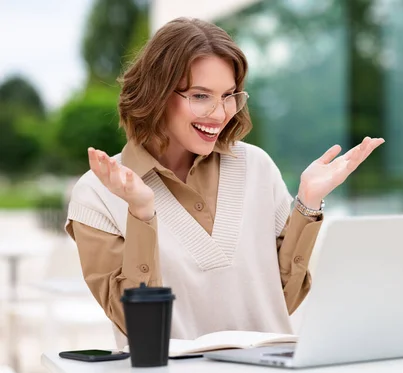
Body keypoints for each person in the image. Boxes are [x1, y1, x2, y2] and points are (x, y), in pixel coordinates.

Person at [65, 17, 384, 347]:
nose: (220, 114)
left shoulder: (257, 166)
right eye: (201, 96)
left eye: (229, 95)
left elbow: (281, 302)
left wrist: (307, 203)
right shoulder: (96, 195)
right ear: (155, 94)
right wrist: (142, 212)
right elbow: (137, 325)